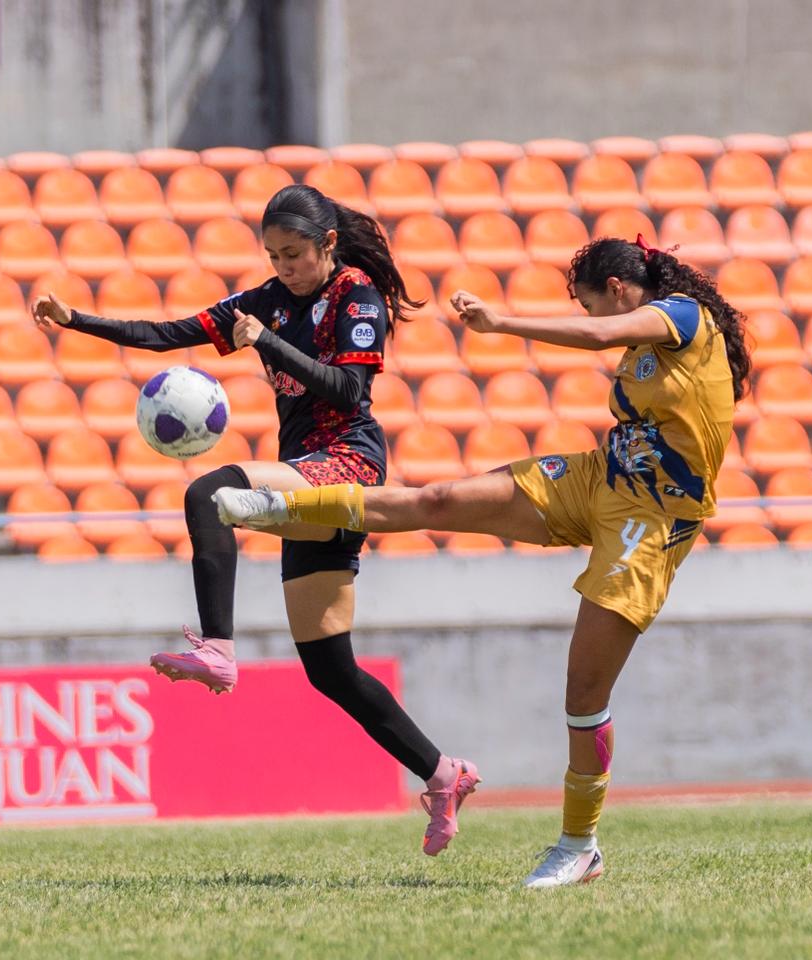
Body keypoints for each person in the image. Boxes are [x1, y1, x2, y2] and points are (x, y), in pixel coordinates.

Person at [213, 235, 751, 887]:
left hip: (653, 518)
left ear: (617, 290)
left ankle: (580, 844)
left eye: (590, 303)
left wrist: (502, 322)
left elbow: (603, 335)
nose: (592, 314)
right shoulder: (649, 342)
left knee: (584, 689)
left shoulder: (683, 317)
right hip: (598, 479)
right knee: (440, 499)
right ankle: (277, 509)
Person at [30, 184, 478, 856]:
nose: (284, 267)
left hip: (347, 464)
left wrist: (268, 341)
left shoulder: (354, 296)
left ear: (328, 244)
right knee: (330, 668)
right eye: (273, 255)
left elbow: (351, 389)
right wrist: (75, 321)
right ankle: (444, 774)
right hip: (303, 473)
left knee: (211, 493)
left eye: (294, 254)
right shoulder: (265, 301)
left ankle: (218, 649)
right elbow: (166, 335)